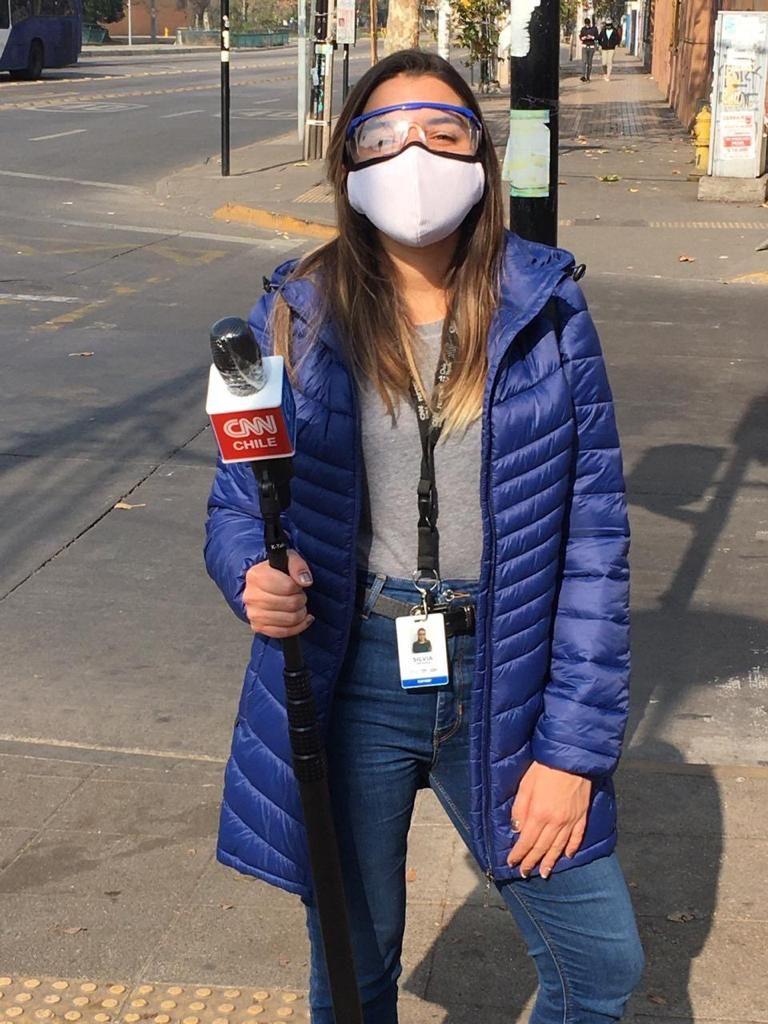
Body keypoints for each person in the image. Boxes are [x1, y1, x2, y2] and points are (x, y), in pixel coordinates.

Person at [205, 48, 644, 1024]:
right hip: (350, 670)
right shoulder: (288, 313)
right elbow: (237, 506)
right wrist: (250, 574)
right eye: (384, 136)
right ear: (347, 167)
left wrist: (572, 753)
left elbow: (595, 544)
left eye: (443, 135)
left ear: (481, 163)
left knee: (599, 964)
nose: (415, 157)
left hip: (511, 672)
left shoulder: (549, 308)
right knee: (355, 981)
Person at [579, 17, 599, 82]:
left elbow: (597, 37)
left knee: (589, 63)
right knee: (584, 61)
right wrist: (583, 38)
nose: (587, 25)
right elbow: (580, 37)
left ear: (589, 23)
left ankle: (588, 77)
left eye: (588, 24)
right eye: (586, 24)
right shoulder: (583, 29)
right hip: (584, 46)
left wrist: (592, 37)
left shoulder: (594, 29)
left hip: (591, 47)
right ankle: (583, 76)